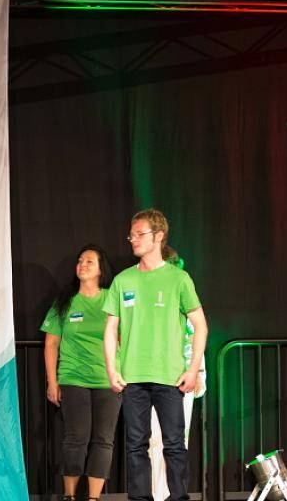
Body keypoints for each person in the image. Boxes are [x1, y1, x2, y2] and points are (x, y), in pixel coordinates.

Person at [103, 209, 209, 501]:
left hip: (170, 375)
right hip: (132, 376)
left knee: (174, 444)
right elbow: (111, 327)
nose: (133, 240)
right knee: (136, 445)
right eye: (131, 235)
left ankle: (178, 497)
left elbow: (200, 325)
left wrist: (193, 369)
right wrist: (111, 368)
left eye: (140, 234)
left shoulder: (179, 279)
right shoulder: (123, 280)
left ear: (159, 236)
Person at [42, 244, 119, 501]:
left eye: (89, 261)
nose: (82, 265)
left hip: (108, 379)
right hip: (73, 378)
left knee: (103, 440)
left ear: (100, 269)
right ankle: (70, 496)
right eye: (80, 261)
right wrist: (52, 382)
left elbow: (124, 337)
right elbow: (51, 344)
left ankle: (94, 498)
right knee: (76, 438)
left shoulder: (112, 298)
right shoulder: (65, 301)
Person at [149, 255, 206, 501]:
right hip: (150, 377)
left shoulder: (186, 302)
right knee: (152, 439)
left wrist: (197, 371)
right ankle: (155, 493)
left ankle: (172, 494)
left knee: (176, 440)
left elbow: (195, 337)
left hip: (180, 379)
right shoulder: (149, 301)